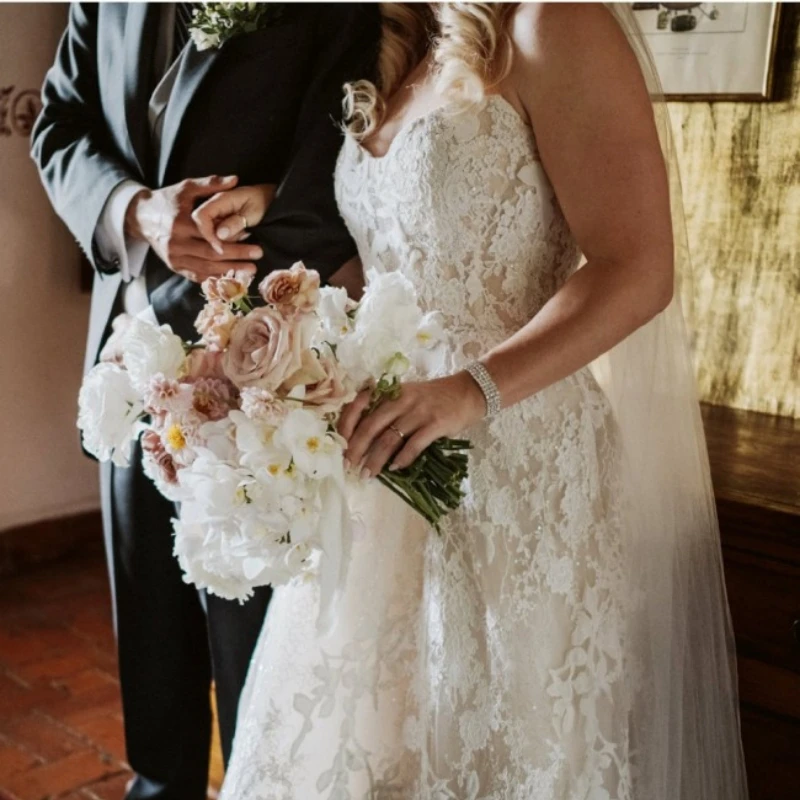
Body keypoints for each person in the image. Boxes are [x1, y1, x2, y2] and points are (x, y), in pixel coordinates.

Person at [219, 4, 749, 799]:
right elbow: (396, 262)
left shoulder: (553, 24)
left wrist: (473, 390)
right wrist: (287, 361)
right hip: (384, 461)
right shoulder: (398, 47)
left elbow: (638, 266)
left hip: (518, 464)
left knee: (513, 748)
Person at [31, 4, 379, 798]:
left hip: (269, 381)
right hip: (126, 362)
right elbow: (59, 120)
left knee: (259, 659)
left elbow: (357, 149)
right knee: (152, 664)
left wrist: (264, 213)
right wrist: (135, 209)